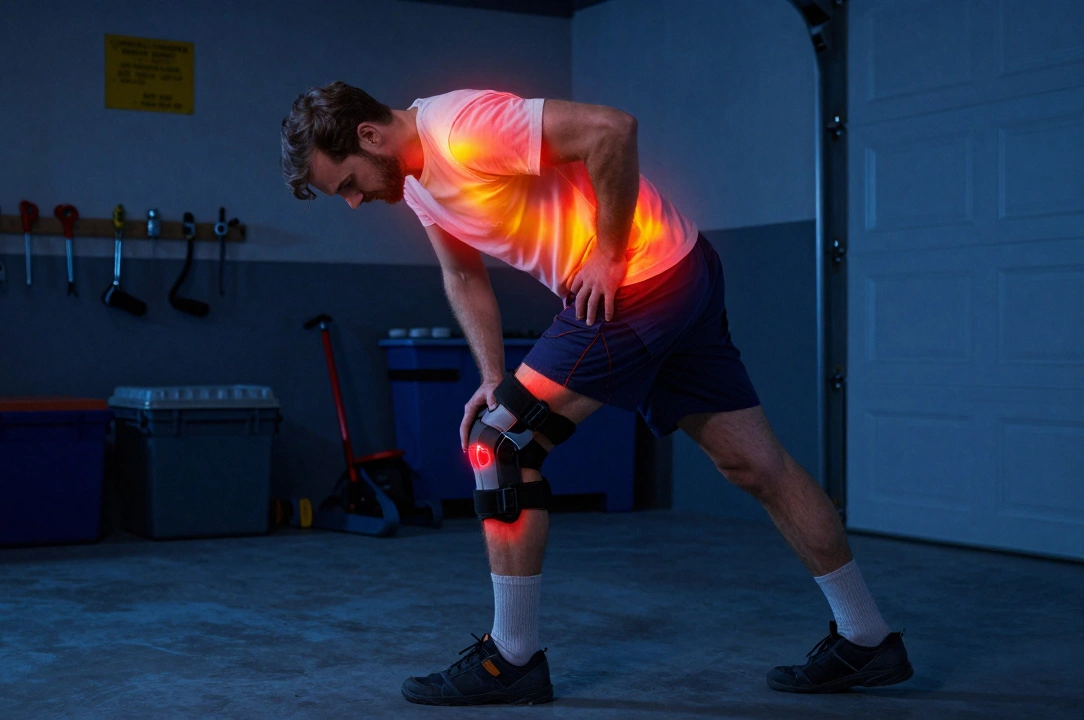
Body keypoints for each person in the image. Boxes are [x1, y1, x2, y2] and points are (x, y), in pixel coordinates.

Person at [280, 82, 913, 706]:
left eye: (349, 184)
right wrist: (491, 376)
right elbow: (462, 273)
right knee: (754, 463)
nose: (357, 202)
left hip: (636, 281)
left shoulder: (462, 128)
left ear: (368, 136)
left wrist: (608, 254)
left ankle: (512, 658)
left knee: (498, 444)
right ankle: (867, 638)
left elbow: (612, 128)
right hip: (679, 268)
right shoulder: (413, 179)